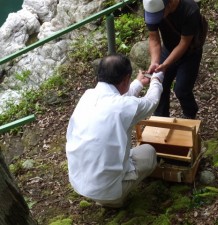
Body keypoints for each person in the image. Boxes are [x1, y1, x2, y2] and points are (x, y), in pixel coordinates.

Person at [66, 54, 164, 208]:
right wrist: (157, 79)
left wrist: (138, 83)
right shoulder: (122, 106)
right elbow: (151, 102)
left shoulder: (88, 96)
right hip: (107, 190)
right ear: (126, 78)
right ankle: (114, 201)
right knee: (149, 152)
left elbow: (119, 100)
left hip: (79, 182)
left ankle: (104, 194)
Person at [142, 0, 205, 119]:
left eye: (159, 14)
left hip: (190, 53)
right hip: (168, 48)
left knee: (182, 89)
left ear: (170, 3)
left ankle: (189, 114)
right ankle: (161, 117)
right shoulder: (151, 6)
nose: (157, 18)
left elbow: (184, 43)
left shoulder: (190, 9)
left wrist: (165, 64)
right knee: (159, 84)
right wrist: (155, 62)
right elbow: (154, 38)